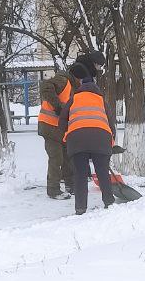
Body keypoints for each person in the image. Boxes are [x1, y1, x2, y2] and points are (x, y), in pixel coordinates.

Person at [59, 62, 116, 215]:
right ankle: (109, 202)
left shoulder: (74, 99)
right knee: (103, 172)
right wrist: (111, 140)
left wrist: (67, 135)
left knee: (80, 174)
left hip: (77, 140)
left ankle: (80, 208)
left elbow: (62, 120)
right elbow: (111, 122)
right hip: (101, 138)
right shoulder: (101, 100)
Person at [37, 68, 75, 199]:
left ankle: (70, 185)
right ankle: (53, 190)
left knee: (66, 156)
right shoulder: (63, 80)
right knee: (56, 158)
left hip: (60, 128)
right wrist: (58, 107)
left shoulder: (73, 87)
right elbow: (46, 86)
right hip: (49, 126)